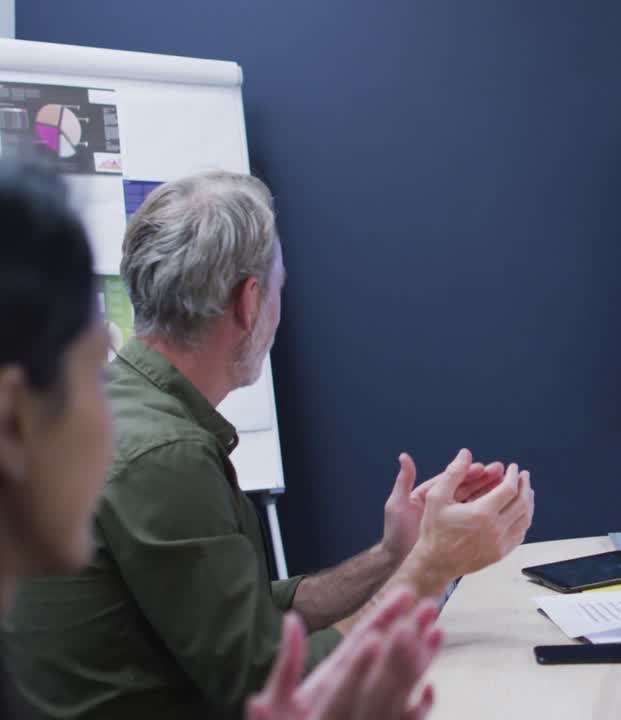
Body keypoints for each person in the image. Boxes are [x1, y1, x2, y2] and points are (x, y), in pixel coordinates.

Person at [1, 169, 535, 719]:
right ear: (250, 302)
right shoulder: (163, 453)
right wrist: (432, 567)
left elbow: (242, 616)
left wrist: (394, 556)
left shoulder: (148, 418)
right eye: (279, 287)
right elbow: (272, 686)